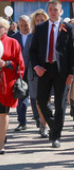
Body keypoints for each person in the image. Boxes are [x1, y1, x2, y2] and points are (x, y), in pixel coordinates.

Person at [29, 0, 74, 148]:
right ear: (48, 10)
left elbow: (73, 52)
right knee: (41, 102)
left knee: (60, 104)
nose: (53, 12)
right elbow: (33, 51)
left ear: (61, 11)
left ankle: (56, 136)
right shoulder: (41, 27)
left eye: (55, 9)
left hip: (61, 70)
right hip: (44, 70)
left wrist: (71, 73)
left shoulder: (68, 28)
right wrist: (36, 66)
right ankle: (53, 126)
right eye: (50, 9)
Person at [0, 17, 25, 155]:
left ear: (5, 28)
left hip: (5, 83)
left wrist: (6, 64)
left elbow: (20, 65)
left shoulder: (12, 42)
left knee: (2, 113)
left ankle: (1, 143)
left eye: (0, 27)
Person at [28, 9, 49, 138]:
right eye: (37, 20)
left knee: (48, 100)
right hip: (34, 73)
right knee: (39, 101)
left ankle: (47, 123)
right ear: (34, 22)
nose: (40, 22)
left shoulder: (51, 35)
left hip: (50, 71)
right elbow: (27, 55)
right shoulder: (31, 36)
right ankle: (43, 124)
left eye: (42, 20)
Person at [11, 16, 32, 132]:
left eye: (26, 25)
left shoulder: (35, 36)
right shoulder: (14, 38)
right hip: (19, 73)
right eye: (22, 25)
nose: (24, 27)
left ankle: (40, 122)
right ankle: (22, 122)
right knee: (21, 97)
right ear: (18, 25)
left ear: (30, 24)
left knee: (36, 99)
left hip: (34, 72)